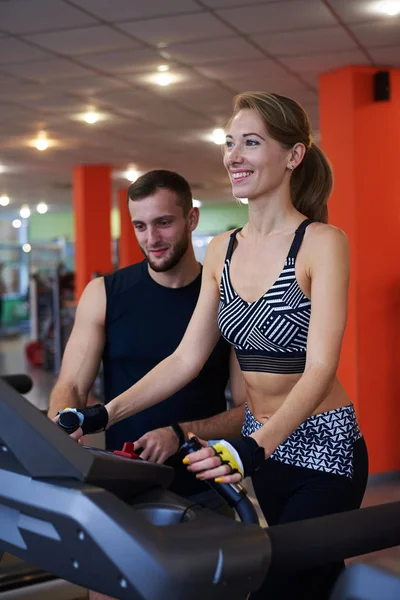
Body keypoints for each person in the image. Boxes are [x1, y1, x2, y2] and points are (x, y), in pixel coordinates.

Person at [58, 93, 369, 600]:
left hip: (324, 448)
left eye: (251, 142)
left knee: (282, 585)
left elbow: (320, 368)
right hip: (262, 451)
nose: (233, 155)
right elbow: (186, 357)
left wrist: (253, 446)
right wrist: (101, 416)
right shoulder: (223, 248)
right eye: (229, 143)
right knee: (304, 580)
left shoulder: (322, 243)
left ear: (293, 156)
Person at [48, 169, 246, 509]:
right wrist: (61, 439)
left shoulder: (226, 299)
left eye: (164, 223)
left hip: (204, 488)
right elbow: (72, 387)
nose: (151, 238)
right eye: (140, 226)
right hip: (121, 485)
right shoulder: (104, 294)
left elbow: (247, 412)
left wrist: (180, 432)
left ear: (191, 218)